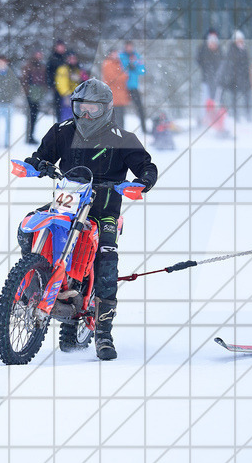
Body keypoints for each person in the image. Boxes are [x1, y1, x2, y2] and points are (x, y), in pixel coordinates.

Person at [18, 78, 157, 360]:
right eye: (81, 108)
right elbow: (41, 156)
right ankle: (32, 278)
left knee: (107, 259)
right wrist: (33, 166)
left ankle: (104, 333)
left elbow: (146, 165)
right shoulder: (62, 131)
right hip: (67, 201)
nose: (86, 115)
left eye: (93, 109)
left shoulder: (123, 138)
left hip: (104, 206)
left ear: (106, 109)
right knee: (29, 224)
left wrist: (142, 182)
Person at [220, 30, 251, 121]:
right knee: (234, 98)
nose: (240, 42)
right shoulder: (231, 51)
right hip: (233, 79)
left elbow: (246, 65)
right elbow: (228, 65)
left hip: (244, 78)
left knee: (246, 97)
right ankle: (235, 116)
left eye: (241, 40)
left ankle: (248, 115)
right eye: (238, 40)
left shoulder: (244, 50)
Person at [21, 50, 49, 144]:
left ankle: (31, 136)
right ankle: (29, 136)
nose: (39, 56)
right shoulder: (28, 66)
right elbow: (24, 80)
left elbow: (43, 80)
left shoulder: (42, 66)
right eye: (38, 54)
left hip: (37, 93)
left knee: (34, 115)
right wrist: (27, 92)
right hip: (31, 93)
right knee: (31, 116)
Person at [196, 30, 223, 124]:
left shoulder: (219, 51)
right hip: (206, 79)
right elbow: (199, 61)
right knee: (205, 100)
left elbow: (221, 64)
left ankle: (216, 121)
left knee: (216, 101)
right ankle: (204, 119)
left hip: (216, 81)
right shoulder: (203, 49)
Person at [119, 41, 147, 134]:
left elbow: (143, 71)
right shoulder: (121, 56)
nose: (129, 49)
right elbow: (118, 69)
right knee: (120, 110)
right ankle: (120, 130)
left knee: (140, 108)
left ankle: (144, 129)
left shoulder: (137, 56)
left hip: (133, 87)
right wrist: (127, 66)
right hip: (122, 88)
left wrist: (134, 65)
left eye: (130, 47)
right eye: (127, 47)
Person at [101, 47, 130, 131]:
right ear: (110, 54)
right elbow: (113, 78)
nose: (116, 55)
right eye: (114, 53)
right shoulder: (107, 63)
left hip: (121, 96)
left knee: (121, 118)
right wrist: (124, 76)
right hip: (113, 96)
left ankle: (122, 135)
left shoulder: (118, 63)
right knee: (115, 118)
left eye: (116, 53)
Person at [54, 52, 84, 122]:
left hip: (76, 97)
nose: (72, 60)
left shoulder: (77, 70)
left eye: (74, 59)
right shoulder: (63, 69)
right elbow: (61, 83)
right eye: (70, 58)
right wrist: (67, 94)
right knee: (66, 116)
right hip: (67, 96)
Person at [45, 40, 71, 122]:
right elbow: (48, 73)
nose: (60, 48)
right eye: (59, 47)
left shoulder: (66, 57)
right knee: (59, 108)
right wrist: (52, 85)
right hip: (57, 88)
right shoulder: (52, 59)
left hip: (69, 88)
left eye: (62, 46)